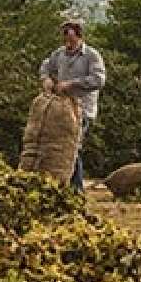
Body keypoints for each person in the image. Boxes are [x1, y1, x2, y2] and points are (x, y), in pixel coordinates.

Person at [39, 20, 106, 193]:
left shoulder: (91, 55)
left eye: (71, 38)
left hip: (82, 110)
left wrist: (71, 84)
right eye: (65, 38)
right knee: (59, 146)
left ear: (79, 36)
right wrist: (46, 78)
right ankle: (63, 186)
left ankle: (76, 189)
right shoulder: (59, 54)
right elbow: (46, 65)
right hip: (62, 109)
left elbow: (99, 80)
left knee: (73, 147)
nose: (67, 43)